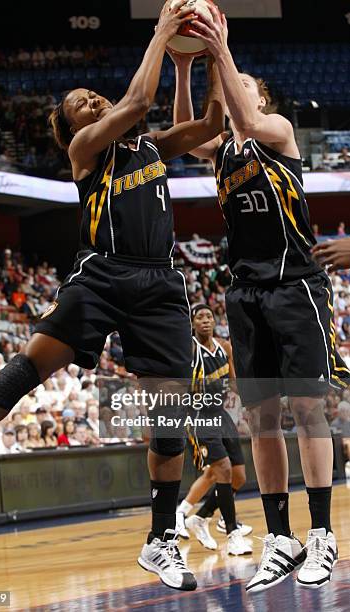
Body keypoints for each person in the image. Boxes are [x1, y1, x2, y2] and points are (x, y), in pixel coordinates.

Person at [0, 1, 225, 593]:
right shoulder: (86, 151)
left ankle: (159, 541)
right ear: (73, 128)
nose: (90, 101)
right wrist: (160, 36)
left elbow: (211, 127)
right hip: (101, 276)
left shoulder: (147, 147)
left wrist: (203, 57)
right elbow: (137, 104)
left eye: (92, 95)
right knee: (30, 366)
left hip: (160, 284)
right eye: (79, 105)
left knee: (171, 418)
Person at [172, 3, 350, 591]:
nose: (230, 85)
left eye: (241, 83)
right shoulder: (222, 147)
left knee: (306, 410)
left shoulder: (276, 132)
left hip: (295, 283)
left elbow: (243, 119)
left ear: (261, 97)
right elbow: (189, 130)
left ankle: (321, 534)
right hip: (246, 292)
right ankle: (282, 537)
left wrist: (219, 46)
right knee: (261, 419)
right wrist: (181, 65)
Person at [176, 304, 252, 556]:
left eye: (209, 316)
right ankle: (232, 533)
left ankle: (200, 517)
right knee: (222, 471)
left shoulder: (224, 348)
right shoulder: (188, 348)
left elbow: (234, 384)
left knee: (239, 477)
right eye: (200, 317)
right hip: (198, 417)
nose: (205, 321)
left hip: (221, 415)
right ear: (193, 324)